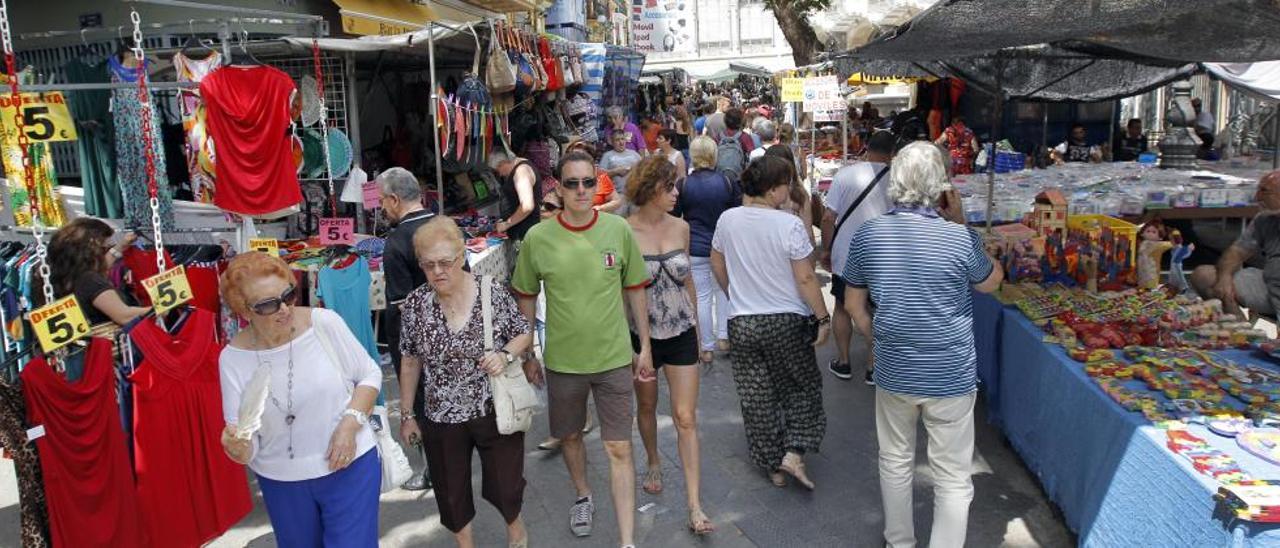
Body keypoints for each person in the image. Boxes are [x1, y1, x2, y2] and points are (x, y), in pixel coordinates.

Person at [842, 141, 1003, 548]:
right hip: (950, 372)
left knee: (895, 461)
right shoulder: (959, 239)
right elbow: (991, 282)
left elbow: (853, 303)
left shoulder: (869, 235)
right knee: (952, 475)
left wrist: (875, 336)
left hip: (895, 370)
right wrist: (962, 221)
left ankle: (899, 542)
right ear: (940, 187)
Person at [511, 150, 653, 545]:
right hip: (563, 363)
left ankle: (627, 540)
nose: (580, 191)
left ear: (598, 183)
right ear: (558, 186)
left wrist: (644, 347)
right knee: (570, 436)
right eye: (571, 183)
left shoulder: (617, 230)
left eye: (587, 182)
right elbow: (525, 297)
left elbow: (636, 289)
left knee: (619, 447)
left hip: (613, 359)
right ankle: (583, 495)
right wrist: (527, 354)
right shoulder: (538, 238)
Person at [218, 252, 383, 547]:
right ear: (244, 312)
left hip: (349, 465)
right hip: (281, 481)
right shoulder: (233, 359)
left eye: (288, 295)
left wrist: (350, 423)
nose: (284, 309)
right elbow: (245, 434)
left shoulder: (324, 324)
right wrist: (238, 448)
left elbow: (369, 373)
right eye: (268, 305)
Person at [397, 216, 532, 548]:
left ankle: (515, 528)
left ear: (461, 258)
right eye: (429, 265)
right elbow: (410, 359)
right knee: (450, 490)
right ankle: (465, 544)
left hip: (492, 406)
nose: (438, 271)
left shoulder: (490, 291)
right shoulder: (416, 304)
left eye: (446, 262)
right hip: (441, 414)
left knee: (506, 483)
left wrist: (504, 355)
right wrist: (406, 414)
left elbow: (522, 333)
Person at [710, 155, 831, 490]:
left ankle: (772, 465)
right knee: (801, 388)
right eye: (787, 184)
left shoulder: (728, 220)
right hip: (785, 322)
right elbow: (806, 278)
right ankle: (793, 453)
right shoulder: (788, 224)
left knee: (756, 397)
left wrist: (734, 294)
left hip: (743, 322)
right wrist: (822, 317)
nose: (789, 190)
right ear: (775, 189)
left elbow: (716, 263)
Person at [624, 156, 715, 535]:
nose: (677, 193)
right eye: (669, 187)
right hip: (640, 335)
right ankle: (653, 458)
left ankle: (695, 505)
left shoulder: (681, 227)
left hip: (679, 330)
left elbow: (689, 281)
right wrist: (632, 346)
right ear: (649, 191)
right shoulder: (623, 231)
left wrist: (699, 334)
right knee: (646, 405)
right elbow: (620, 291)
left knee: (686, 417)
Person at [376, 166, 435, 491]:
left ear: (395, 199)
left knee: (421, 403)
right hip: (452, 330)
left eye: (383, 201)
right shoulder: (443, 226)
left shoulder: (397, 241)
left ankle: (431, 469)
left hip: (414, 342)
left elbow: (402, 305)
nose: (382, 208)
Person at [821, 130, 896, 384]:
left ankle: (843, 362)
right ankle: (874, 367)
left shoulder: (845, 175)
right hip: (885, 254)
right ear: (893, 153)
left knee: (843, 307)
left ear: (866, 147)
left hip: (847, 252)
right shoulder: (899, 179)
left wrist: (827, 249)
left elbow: (828, 217)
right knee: (877, 309)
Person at [680, 136, 740, 364]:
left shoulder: (684, 184)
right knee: (723, 292)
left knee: (703, 296)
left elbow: (676, 216)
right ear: (715, 155)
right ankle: (724, 337)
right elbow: (736, 212)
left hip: (695, 247)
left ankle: (706, 347)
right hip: (722, 247)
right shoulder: (726, 182)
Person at [1191, 171, 1280, 319]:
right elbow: (1237, 250)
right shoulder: (1264, 219)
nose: (1257, 197)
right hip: (1268, 285)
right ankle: (1241, 330)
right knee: (1204, 276)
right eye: (1258, 190)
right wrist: (1224, 277)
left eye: (1265, 191)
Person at [46, 217, 148, 326]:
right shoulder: (90, 281)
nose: (106, 250)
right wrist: (160, 308)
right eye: (105, 247)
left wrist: (121, 246)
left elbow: (100, 266)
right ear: (93, 249)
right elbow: (124, 316)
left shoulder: (66, 275)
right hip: (108, 339)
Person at [491, 151, 541, 242]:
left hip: (526, 232)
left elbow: (527, 206)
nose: (500, 174)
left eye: (498, 170)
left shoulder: (520, 172)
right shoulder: (521, 165)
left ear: (501, 163)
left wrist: (506, 224)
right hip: (524, 231)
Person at [565, 140, 623, 213]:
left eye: (582, 156)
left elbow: (616, 201)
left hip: (597, 220)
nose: (577, 160)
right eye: (573, 156)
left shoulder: (600, 176)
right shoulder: (564, 178)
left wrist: (600, 208)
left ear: (591, 159)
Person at [601, 131, 644, 211]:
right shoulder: (607, 155)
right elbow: (600, 176)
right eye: (617, 140)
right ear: (612, 142)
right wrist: (615, 171)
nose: (621, 142)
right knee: (620, 221)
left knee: (636, 221)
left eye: (622, 139)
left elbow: (645, 169)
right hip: (618, 196)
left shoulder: (634, 154)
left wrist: (636, 169)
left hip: (635, 194)